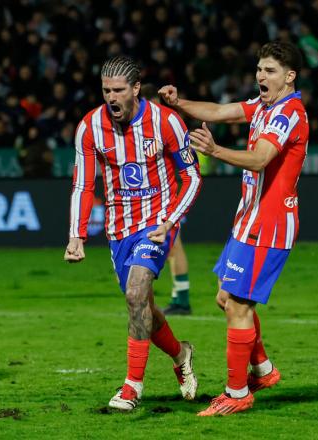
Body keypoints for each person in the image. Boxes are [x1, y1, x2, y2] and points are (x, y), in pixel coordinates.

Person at [159, 40, 308, 416]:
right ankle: (262, 370)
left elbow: (260, 159)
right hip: (249, 220)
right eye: (259, 68)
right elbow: (219, 110)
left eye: (270, 70)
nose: (261, 75)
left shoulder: (287, 114)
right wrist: (179, 104)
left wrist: (214, 151)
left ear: (289, 77)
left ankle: (238, 393)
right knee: (226, 298)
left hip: (269, 225)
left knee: (238, 306)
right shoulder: (264, 106)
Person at [65, 56, 202, 411]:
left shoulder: (167, 122)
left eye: (119, 90)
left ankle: (132, 387)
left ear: (136, 89)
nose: (111, 97)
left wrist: (171, 219)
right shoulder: (90, 127)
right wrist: (77, 235)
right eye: (106, 90)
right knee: (141, 304)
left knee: (137, 290)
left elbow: (192, 176)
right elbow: (83, 183)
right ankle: (181, 353)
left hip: (157, 223)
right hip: (118, 229)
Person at [141, 83, 193, 315]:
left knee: (173, 247)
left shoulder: (163, 127)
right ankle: (180, 296)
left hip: (168, 196)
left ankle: (182, 299)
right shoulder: (157, 126)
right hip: (165, 195)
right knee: (174, 247)